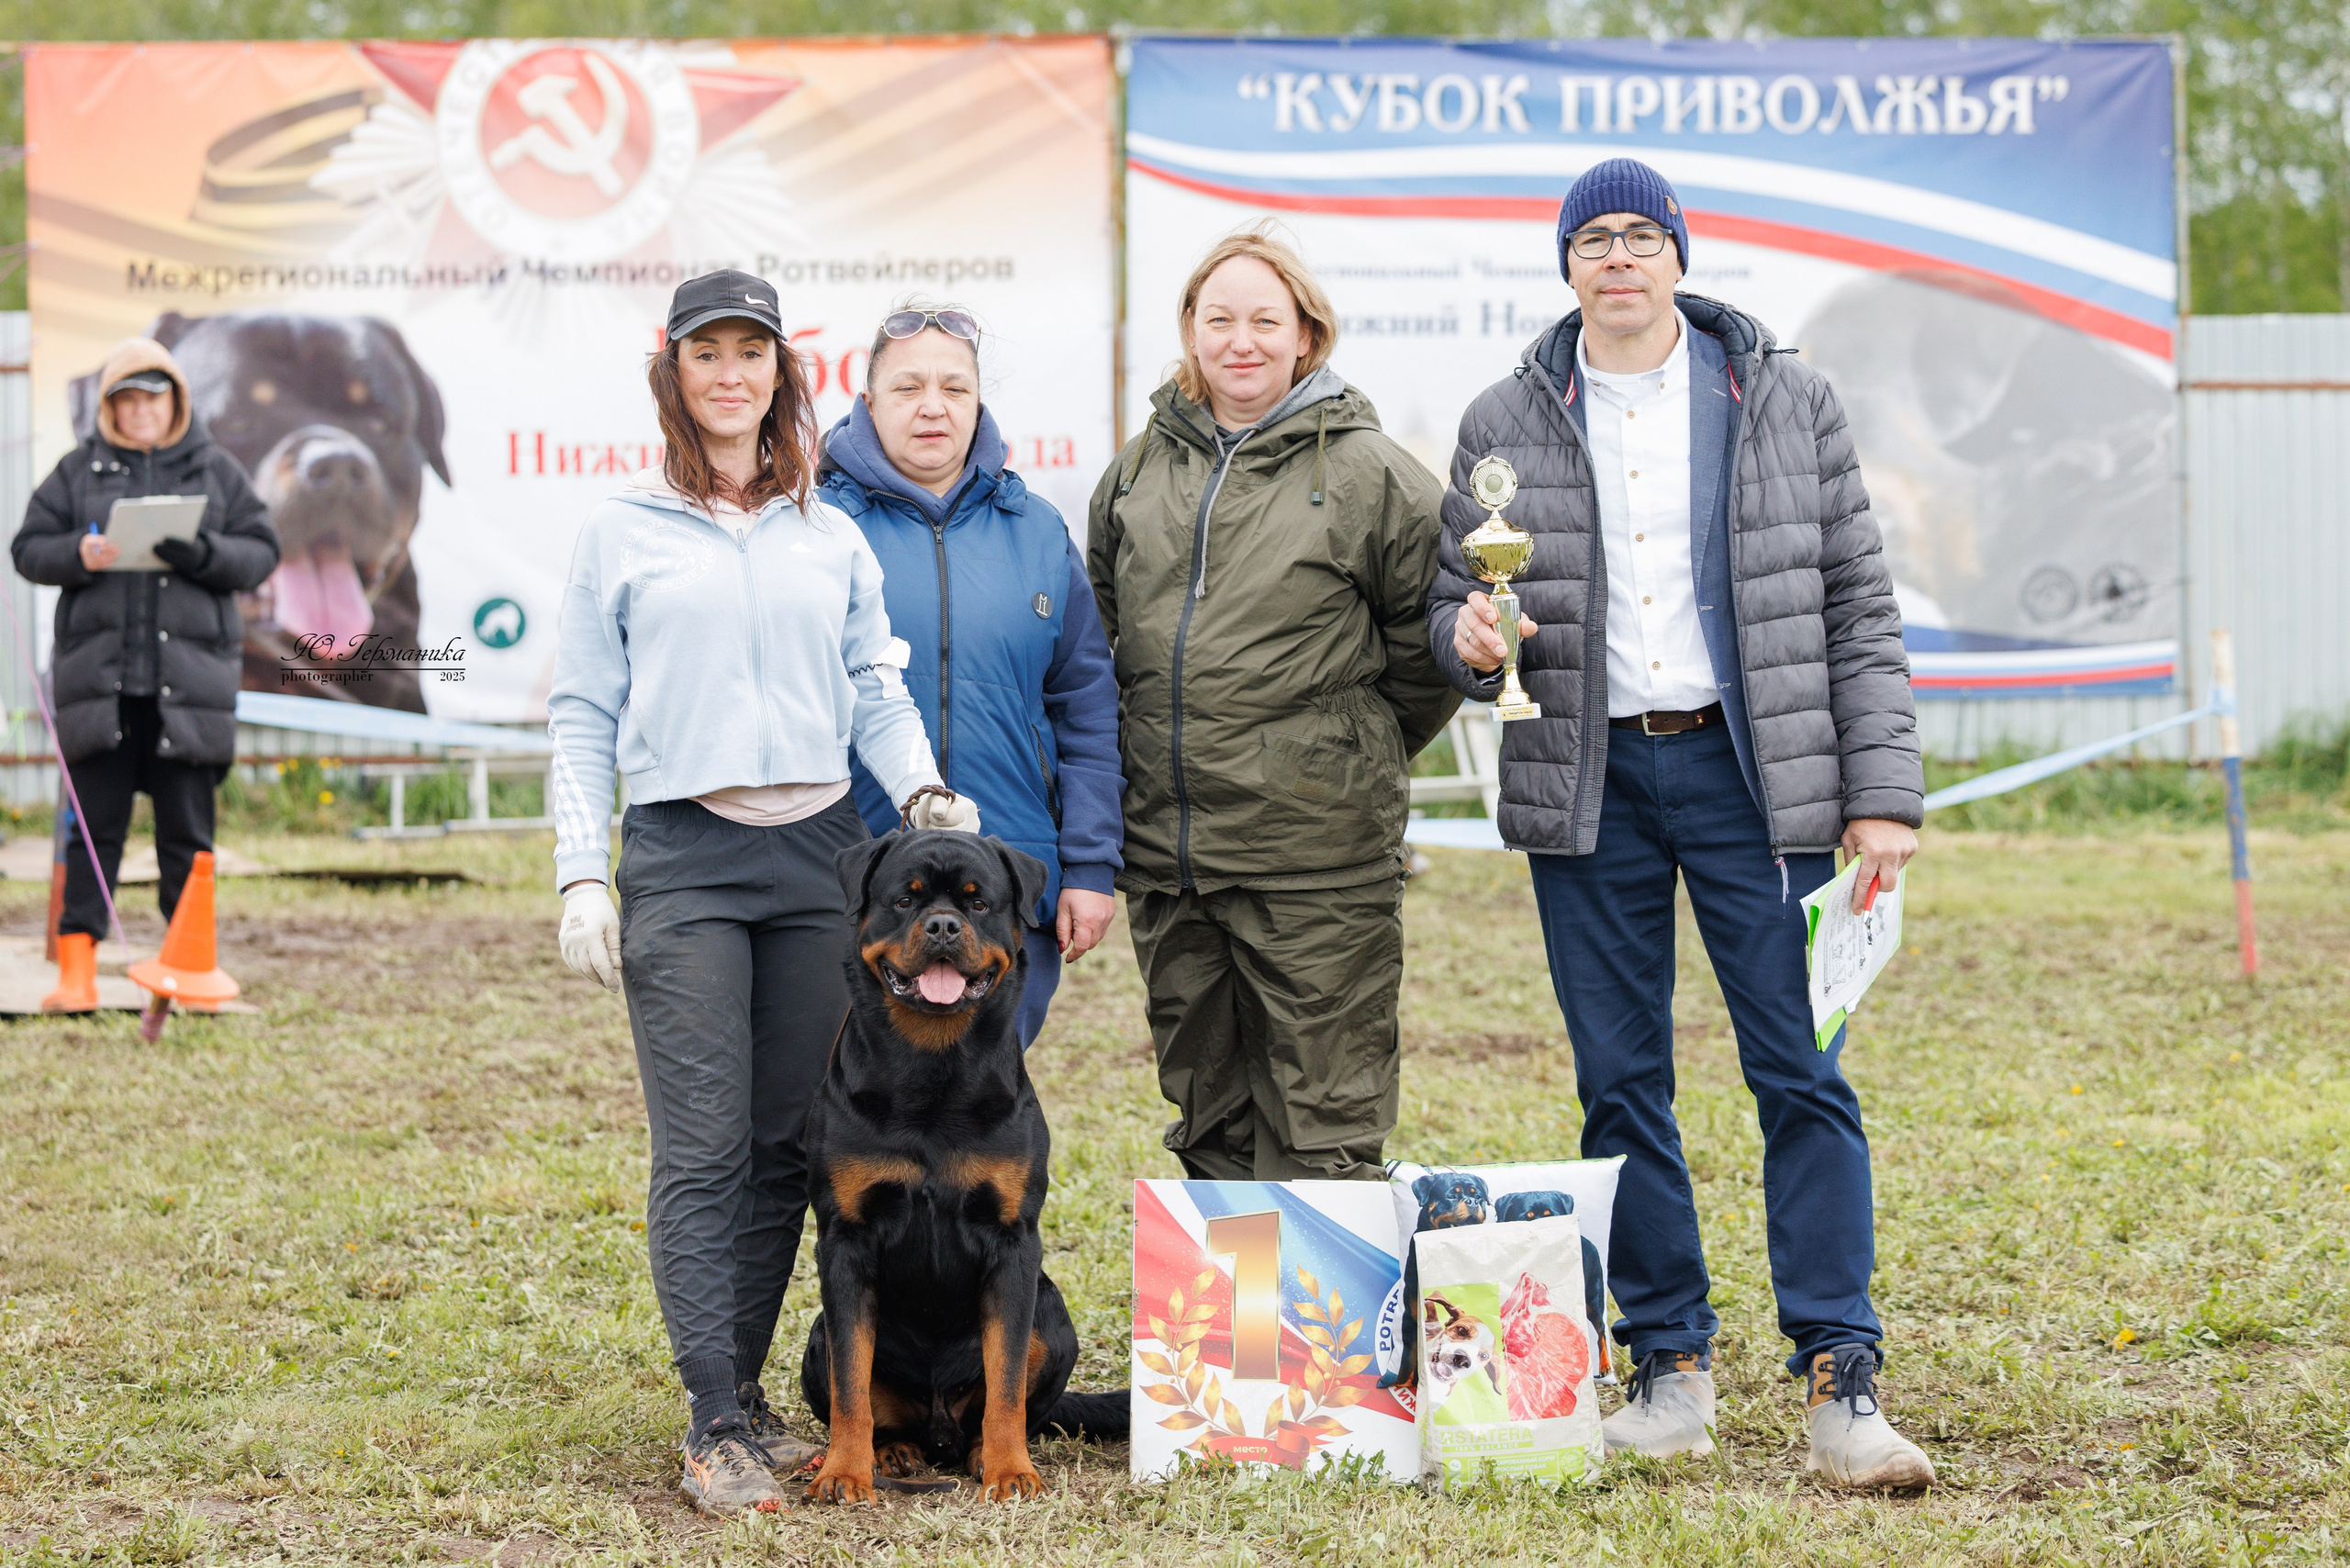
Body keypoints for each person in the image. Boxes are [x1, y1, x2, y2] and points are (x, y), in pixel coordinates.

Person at [1426, 158, 1934, 1489]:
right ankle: (1670, 1365)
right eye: (1593, 239)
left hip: (1760, 781)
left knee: (1802, 1076)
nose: (1619, 260)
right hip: (1586, 782)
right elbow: (1450, 615)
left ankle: (1841, 1376)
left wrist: (1882, 794)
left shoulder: (1782, 395)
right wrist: (1471, 640)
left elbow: (1857, 607)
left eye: (1641, 237)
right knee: (1620, 1082)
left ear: (1678, 255)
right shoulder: (1504, 415)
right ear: (1568, 264)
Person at [544, 270, 976, 1519]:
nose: (730, 375)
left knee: (793, 1147)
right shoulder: (621, 529)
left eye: (752, 353)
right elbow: (583, 712)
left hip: (816, 856)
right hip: (685, 855)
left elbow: (874, 685)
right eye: (705, 354)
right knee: (702, 1144)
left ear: (782, 372)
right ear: (673, 373)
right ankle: (709, 1417)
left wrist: (923, 793)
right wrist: (584, 871)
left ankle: (741, 1404)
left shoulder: (826, 530)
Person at [1088, 227, 1459, 1183]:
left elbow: (1437, 643)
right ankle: (1237, 1340)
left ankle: (1324, 1338)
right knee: (1207, 1118)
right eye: (1220, 319)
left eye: (1265, 319)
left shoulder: (1371, 471)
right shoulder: (1135, 473)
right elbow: (1101, 643)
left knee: (1323, 1125)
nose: (1240, 340)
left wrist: (1340, 744)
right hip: (1171, 859)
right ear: (1188, 333)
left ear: (1307, 335)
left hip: (1315, 862)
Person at [816, 303, 1123, 1046]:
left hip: (1003, 883)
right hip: (856, 880)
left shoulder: (1038, 529)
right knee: (836, 1118)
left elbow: (1085, 708)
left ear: (978, 403)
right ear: (867, 403)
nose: (932, 407)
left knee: (979, 1114)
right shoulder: (813, 527)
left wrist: (1086, 865)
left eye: (954, 388)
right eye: (908, 387)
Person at [10, 338, 278, 1012]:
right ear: (109, 408)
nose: (140, 412)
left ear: (176, 403)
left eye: (152, 399)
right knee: (91, 833)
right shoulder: (77, 471)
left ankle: (194, 967)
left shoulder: (217, 470)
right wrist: (78, 553)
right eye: (126, 400)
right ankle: (76, 976)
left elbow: (260, 551)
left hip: (187, 695)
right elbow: (27, 549)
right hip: (100, 692)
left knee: (188, 837)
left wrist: (206, 552)